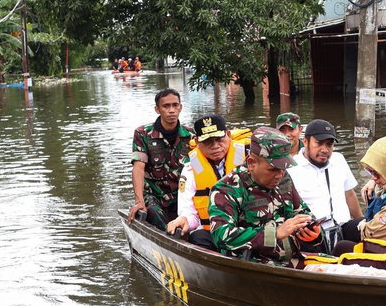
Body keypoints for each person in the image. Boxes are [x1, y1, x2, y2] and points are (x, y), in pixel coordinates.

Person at [208, 127, 322, 264]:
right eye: (272, 169)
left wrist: (311, 232)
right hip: (253, 266)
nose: (279, 175)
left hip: (293, 261)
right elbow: (222, 236)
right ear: (251, 163)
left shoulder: (284, 178)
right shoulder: (226, 189)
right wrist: (274, 233)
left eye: (283, 168)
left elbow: (301, 212)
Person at [286, 119, 364, 248]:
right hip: (314, 234)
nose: (325, 150)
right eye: (319, 143)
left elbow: (349, 194)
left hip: (343, 226)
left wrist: (361, 222)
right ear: (305, 142)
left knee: (369, 226)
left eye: (329, 144)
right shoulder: (291, 168)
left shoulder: (339, 160)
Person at [129, 88, 193, 230]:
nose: (171, 110)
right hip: (154, 195)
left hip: (182, 195)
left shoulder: (191, 135)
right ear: (157, 109)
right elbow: (138, 167)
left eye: (175, 105)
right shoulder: (143, 134)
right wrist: (139, 201)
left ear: (180, 107)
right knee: (154, 212)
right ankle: (169, 237)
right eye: (166, 106)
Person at [165, 114, 231, 249]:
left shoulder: (249, 161)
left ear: (228, 134)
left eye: (219, 139)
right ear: (197, 142)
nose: (215, 146)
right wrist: (184, 219)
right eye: (208, 141)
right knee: (198, 237)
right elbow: (189, 213)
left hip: (246, 230)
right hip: (213, 232)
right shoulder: (190, 170)